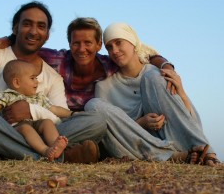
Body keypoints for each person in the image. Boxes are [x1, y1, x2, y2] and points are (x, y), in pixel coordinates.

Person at [0, 17, 208, 164]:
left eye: (89, 43)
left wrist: (165, 65)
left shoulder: (110, 64)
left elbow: (145, 55)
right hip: (54, 127)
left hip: (79, 126)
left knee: (95, 117)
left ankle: (9, 150)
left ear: (98, 46)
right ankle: (61, 154)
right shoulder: (54, 59)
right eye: (76, 43)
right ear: (69, 45)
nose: (82, 49)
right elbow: (25, 43)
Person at [0, 1, 105, 163]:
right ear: (15, 28)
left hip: (40, 131)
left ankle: (2, 152)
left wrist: (31, 111)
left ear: (47, 34)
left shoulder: (53, 76)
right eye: (27, 24)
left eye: (40, 26)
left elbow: (60, 118)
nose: (33, 31)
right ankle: (57, 157)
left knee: (96, 122)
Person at [86, 22, 220, 166]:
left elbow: (188, 120)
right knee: (93, 105)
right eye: (109, 47)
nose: (115, 50)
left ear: (133, 43)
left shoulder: (155, 73)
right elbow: (109, 132)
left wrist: (181, 93)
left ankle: (206, 152)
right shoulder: (104, 85)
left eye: (119, 43)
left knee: (153, 78)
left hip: (174, 139)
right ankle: (172, 156)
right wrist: (141, 123)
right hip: (137, 147)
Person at [0, 59, 73, 161]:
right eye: (32, 78)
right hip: (16, 128)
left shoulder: (39, 97)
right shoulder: (8, 95)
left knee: (47, 122)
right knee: (26, 128)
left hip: (36, 125)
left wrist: (72, 113)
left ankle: (55, 145)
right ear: (16, 82)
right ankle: (45, 150)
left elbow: (54, 109)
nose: (37, 81)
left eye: (36, 78)